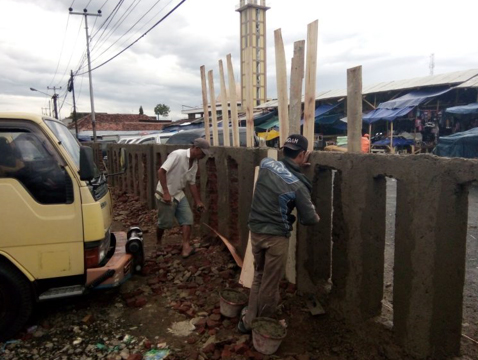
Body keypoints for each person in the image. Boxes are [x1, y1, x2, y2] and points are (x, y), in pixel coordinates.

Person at [238, 134, 320, 333]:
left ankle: (248, 321)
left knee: (258, 275)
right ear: (302, 154)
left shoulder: (266, 164)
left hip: (256, 232)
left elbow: (282, 171)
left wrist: (297, 167)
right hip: (275, 237)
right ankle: (263, 325)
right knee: (270, 283)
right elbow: (310, 219)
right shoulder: (298, 186)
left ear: (283, 150)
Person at [155, 138, 210, 258]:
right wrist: (166, 192)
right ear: (196, 148)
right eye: (202, 153)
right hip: (165, 194)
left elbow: (192, 183)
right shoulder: (178, 155)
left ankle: (186, 247)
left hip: (179, 194)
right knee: (165, 223)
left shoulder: (195, 163)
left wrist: (198, 201)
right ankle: (158, 242)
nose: (203, 156)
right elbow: (161, 172)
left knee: (187, 219)